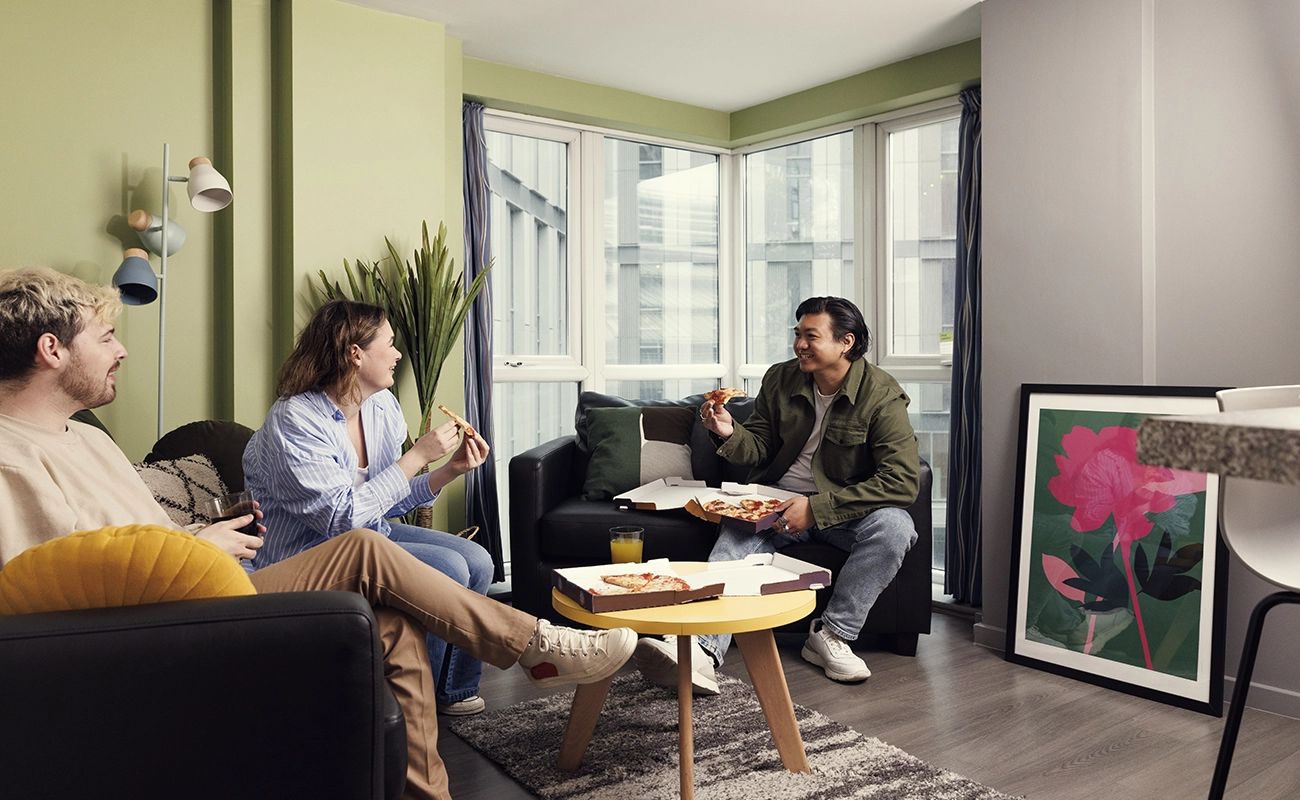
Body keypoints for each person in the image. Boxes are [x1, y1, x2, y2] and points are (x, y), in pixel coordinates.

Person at [0, 267, 636, 800]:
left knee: (394, 621)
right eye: (107, 336)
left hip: (195, 586)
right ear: (52, 349)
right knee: (368, 549)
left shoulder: (84, 436)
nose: (122, 350)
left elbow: (135, 533)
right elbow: (46, 590)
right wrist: (194, 548)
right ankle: (534, 644)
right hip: (159, 627)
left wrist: (199, 531)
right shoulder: (10, 457)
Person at [634, 296, 920, 689]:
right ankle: (700, 650)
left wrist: (817, 509)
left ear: (846, 342)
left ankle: (832, 635)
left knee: (895, 526)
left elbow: (902, 479)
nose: (799, 344)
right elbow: (762, 446)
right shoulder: (780, 378)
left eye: (811, 336)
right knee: (733, 538)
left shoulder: (882, 395)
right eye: (797, 334)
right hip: (773, 502)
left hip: (844, 510)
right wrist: (729, 432)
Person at [243, 299, 494, 716]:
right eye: (390, 344)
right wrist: (417, 456)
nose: (398, 354)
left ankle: (454, 691)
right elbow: (340, 518)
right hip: (306, 555)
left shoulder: (381, 406)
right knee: (447, 568)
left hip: (368, 532)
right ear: (355, 354)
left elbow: (383, 500)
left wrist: (448, 470)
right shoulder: (295, 422)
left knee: (478, 561)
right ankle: (412, 708)